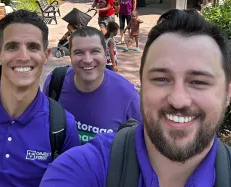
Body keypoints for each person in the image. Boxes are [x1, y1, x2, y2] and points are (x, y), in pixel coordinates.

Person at [40, 9, 231, 186]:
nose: (178, 100)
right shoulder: (87, 166)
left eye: (198, 82)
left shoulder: (125, 93)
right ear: (142, 85)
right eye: (161, 79)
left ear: (227, 93)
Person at [0, 9, 80, 187]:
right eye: (12, 47)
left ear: (45, 55)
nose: (23, 57)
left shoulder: (62, 126)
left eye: (33, 47)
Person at [43, 26, 142, 144]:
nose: (88, 60)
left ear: (105, 54)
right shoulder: (55, 82)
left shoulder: (128, 96)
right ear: (70, 56)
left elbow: (140, 146)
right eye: (79, 52)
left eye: (95, 51)